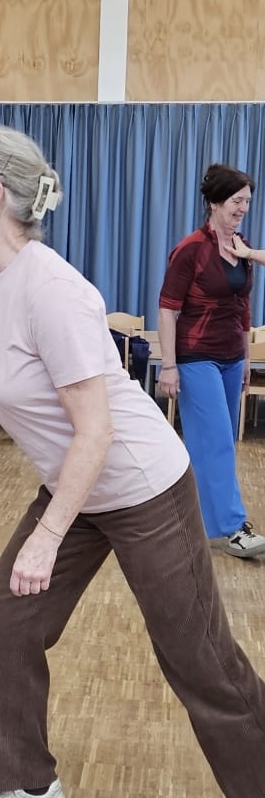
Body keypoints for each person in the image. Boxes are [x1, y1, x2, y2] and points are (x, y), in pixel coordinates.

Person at [0, 123, 265, 798]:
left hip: (140, 486)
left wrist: (45, 535)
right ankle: (30, 785)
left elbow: (96, 428)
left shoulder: (54, 289)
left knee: (198, 661)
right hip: (78, 483)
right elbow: (26, 382)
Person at [157, 165, 265, 558]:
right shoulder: (190, 250)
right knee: (216, 440)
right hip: (195, 356)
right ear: (215, 202)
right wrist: (168, 366)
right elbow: (167, 309)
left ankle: (190, 522)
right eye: (237, 201)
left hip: (231, 357)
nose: (243, 209)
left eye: (248, 202)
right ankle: (234, 528)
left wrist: (247, 358)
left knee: (214, 444)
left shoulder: (242, 245)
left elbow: (244, 308)